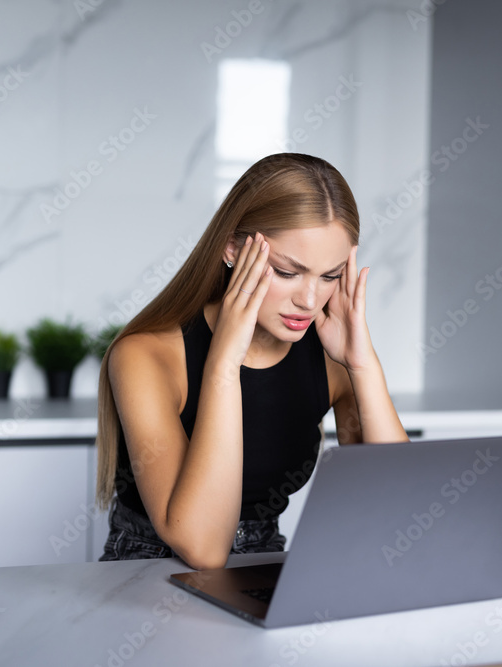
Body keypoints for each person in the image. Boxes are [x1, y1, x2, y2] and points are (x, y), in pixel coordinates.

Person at [94, 153, 408, 569]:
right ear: (232, 248)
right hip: (146, 567)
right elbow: (203, 548)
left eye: (330, 276)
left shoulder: (331, 354)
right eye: (286, 272)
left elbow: (401, 512)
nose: (310, 300)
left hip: (266, 560)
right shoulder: (144, 355)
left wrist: (363, 366)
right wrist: (225, 361)